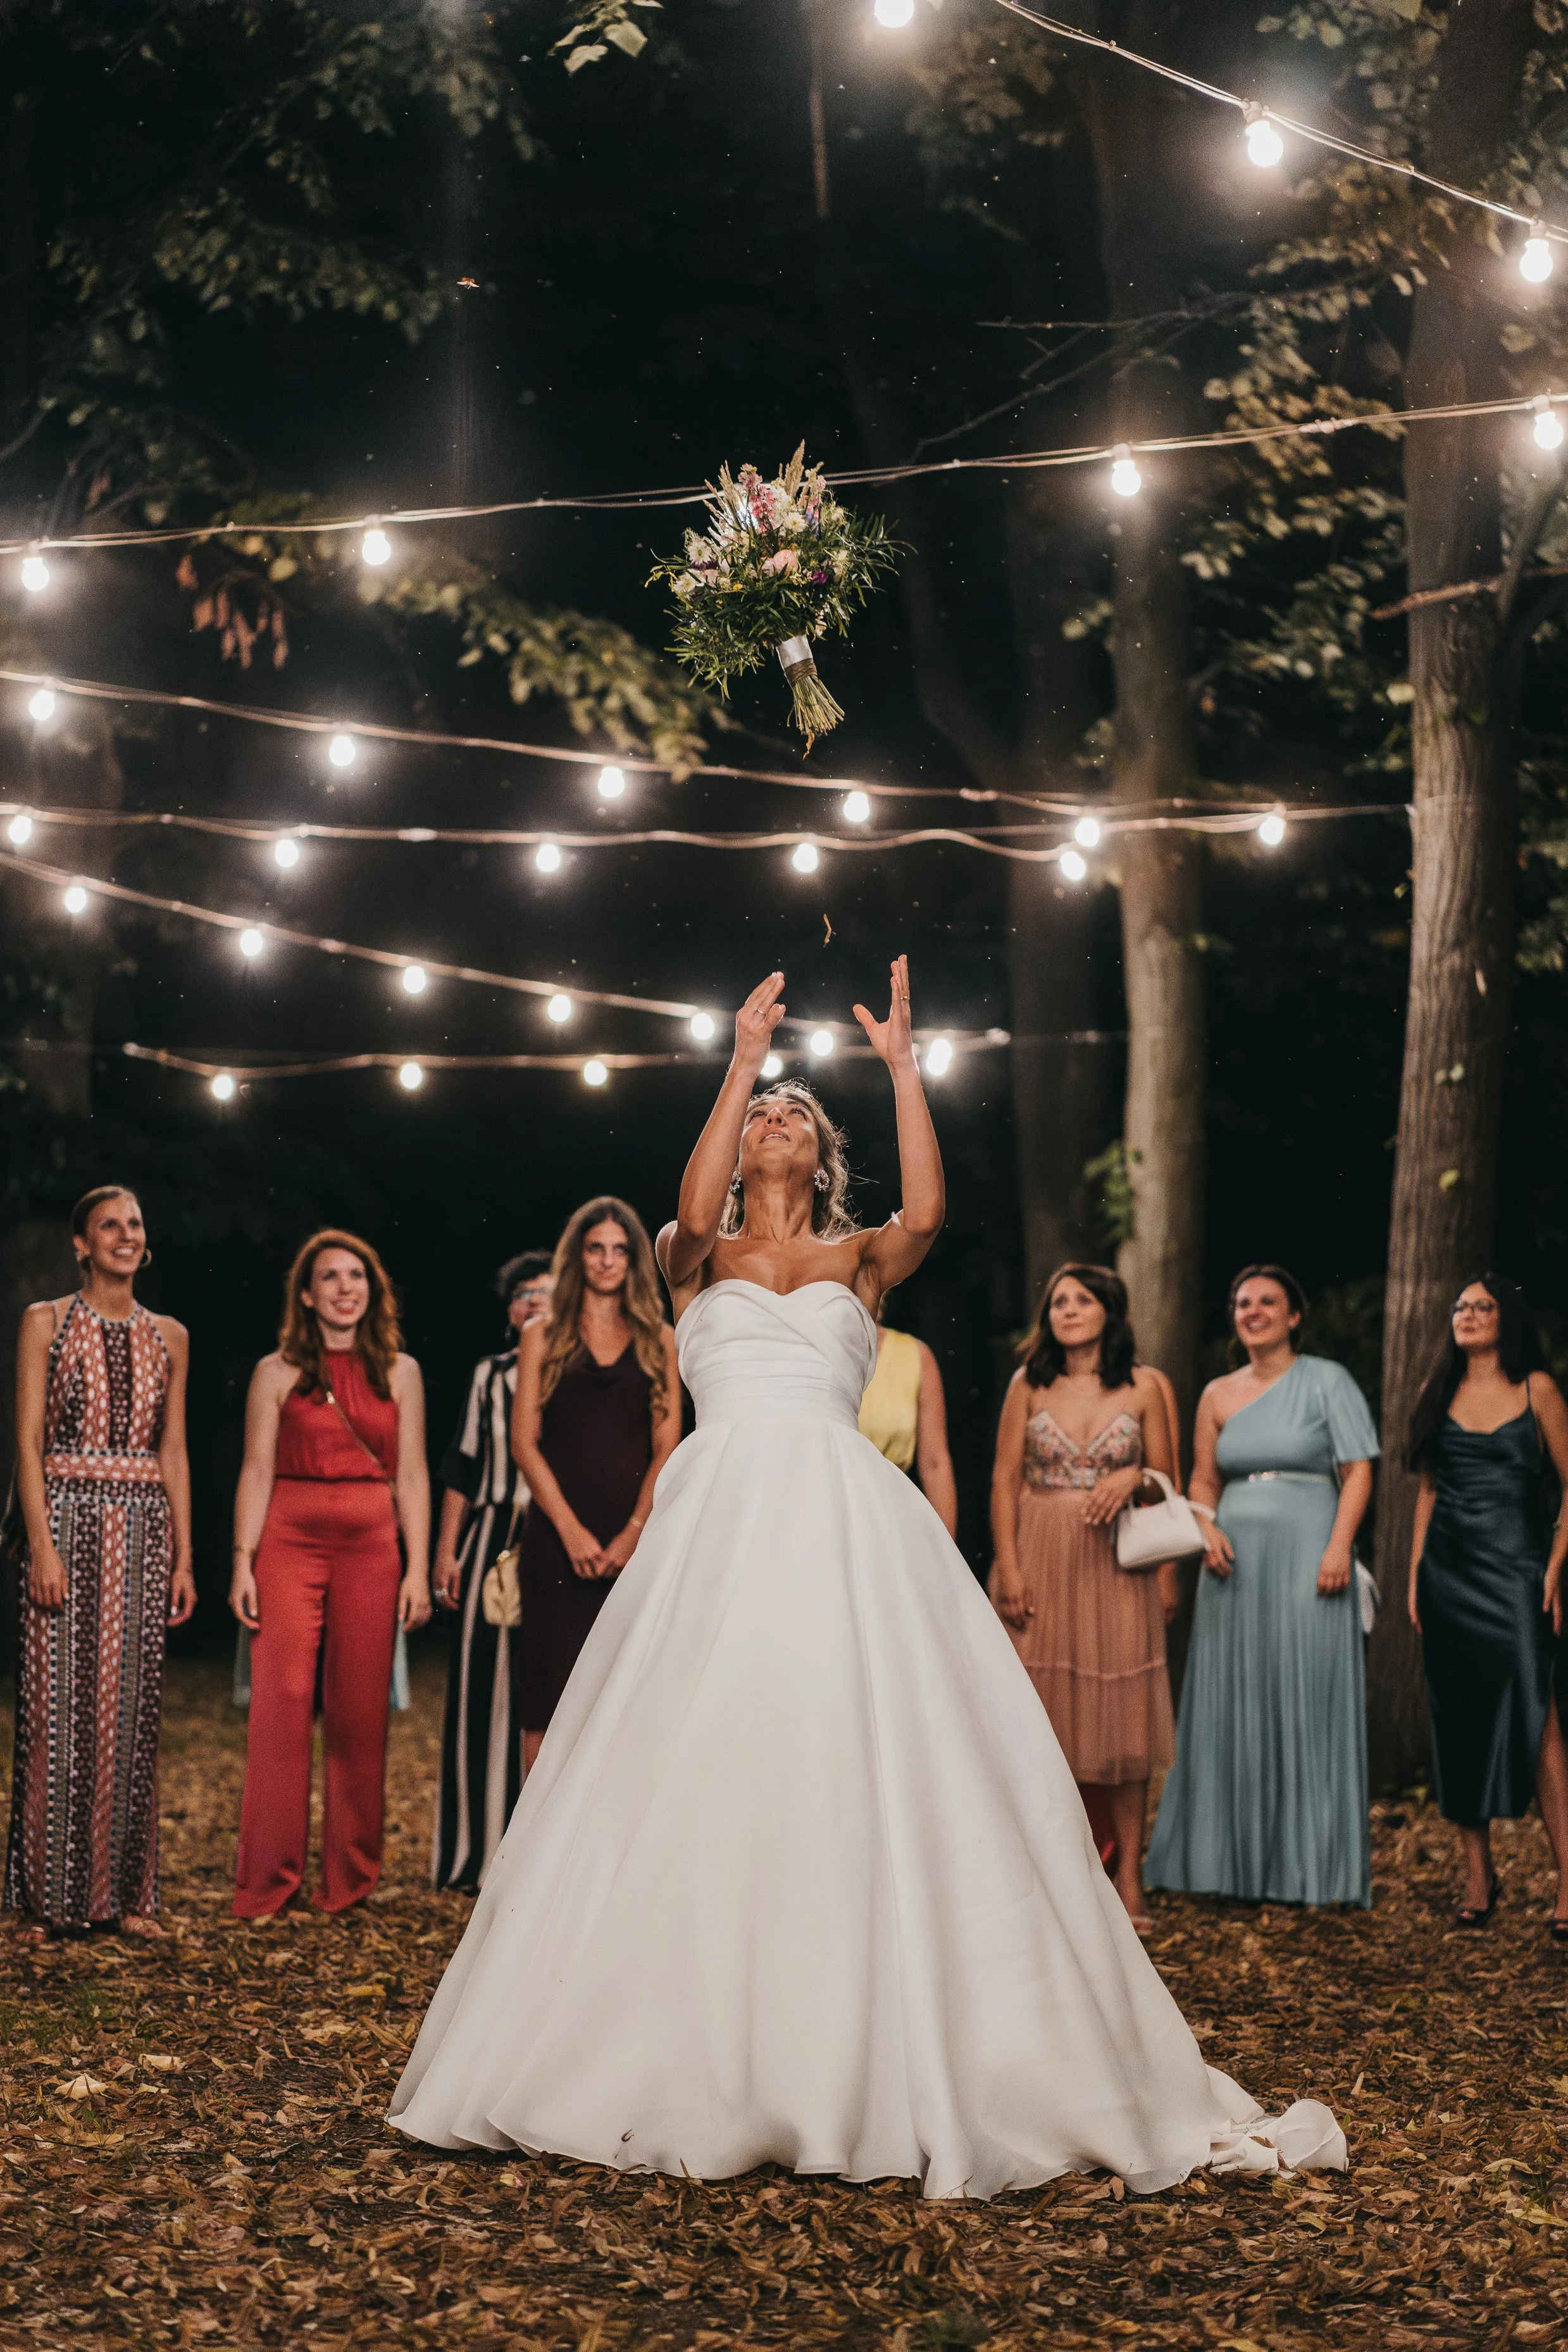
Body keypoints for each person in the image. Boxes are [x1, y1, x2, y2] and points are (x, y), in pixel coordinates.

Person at [389, 966, 1343, 2198]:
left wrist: (901, 1068)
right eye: (765, 1113)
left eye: (796, 1108)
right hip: (720, 1521)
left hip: (843, 1520)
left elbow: (932, 1211)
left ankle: (871, 2028)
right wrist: (741, 1060)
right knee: (705, 1749)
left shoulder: (865, 1259)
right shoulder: (696, 1252)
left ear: (826, 1150)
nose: (781, 1116)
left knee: (855, 1746)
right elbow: (684, 1196)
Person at [1145, 1265, 1377, 1910]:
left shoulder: (1329, 1379)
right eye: (1242, 1301)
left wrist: (1339, 1544)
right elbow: (1202, 1478)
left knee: (1307, 1695)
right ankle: (1229, 1866)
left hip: (1311, 1552)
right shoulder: (1217, 1392)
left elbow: (1359, 1471)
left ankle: (1311, 1871)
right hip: (1233, 1563)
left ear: (1293, 1315)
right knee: (1235, 1698)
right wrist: (1203, 1526)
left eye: (1267, 1301)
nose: (1252, 1311)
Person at [5, 1186, 195, 1941]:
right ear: (81, 1243)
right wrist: (41, 1543)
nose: (124, 1234)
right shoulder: (46, 1321)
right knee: (56, 1711)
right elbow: (24, 1443)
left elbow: (172, 1448)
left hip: (145, 1529)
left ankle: (128, 1895)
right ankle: (48, 1900)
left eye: (135, 1223)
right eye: (108, 1224)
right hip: (67, 1520)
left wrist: (182, 1554)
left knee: (132, 1709)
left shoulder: (170, 1334)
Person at [229, 1230, 431, 1918]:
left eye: (357, 1276)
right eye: (330, 1277)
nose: (346, 1287)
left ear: (370, 1291)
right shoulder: (276, 1370)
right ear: (308, 1294)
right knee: (279, 1706)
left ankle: (349, 1879)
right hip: (289, 1535)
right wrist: (241, 1560)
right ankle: (268, 1879)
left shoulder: (400, 1371)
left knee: (359, 1711)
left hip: (373, 1542)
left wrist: (418, 1568)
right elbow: (255, 1468)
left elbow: (412, 1474)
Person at [989, 1263, 1178, 1934]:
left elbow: (1169, 1482)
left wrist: (1135, 1475)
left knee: (1123, 1718)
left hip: (1117, 1566)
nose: (1068, 1309)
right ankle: (1051, 1872)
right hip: (1041, 1555)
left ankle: (1129, 1875)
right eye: (1058, 1300)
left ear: (1110, 1310)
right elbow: (1004, 1477)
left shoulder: (1148, 1386)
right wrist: (1008, 1569)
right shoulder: (1028, 1383)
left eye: (1082, 1298)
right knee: (1041, 1718)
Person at [1407, 1274, 1568, 1934]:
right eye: (1460, 1306)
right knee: (1460, 1717)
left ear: (1508, 1318)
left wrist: (1558, 1561)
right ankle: (1480, 1874)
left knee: (1541, 1720)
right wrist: (1417, 1572)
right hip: (1449, 1574)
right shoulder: (1436, 1391)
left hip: (1520, 1571)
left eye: (1482, 1305)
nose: (1467, 1314)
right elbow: (1427, 1491)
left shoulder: (1539, 1389)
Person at [511, 1200, 680, 1773]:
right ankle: (533, 1858)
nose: (607, 1261)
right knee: (547, 1702)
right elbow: (524, 1445)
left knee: (625, 1700)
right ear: (577, 1256)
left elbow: (668, 1448)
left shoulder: (660, 1339)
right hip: (556, 1543)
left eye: (619, 1249)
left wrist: (634, 1533)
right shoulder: (542, 1334)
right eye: (595, 1248)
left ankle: (604, 1861)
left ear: (633, 1260)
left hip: (633, 1543)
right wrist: (571, 1531)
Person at [430, 1251, 554, 1892]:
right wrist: (446, 1551)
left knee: (556, 1688)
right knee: (484, 1688)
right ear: (509, 1312)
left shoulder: (586, 1367)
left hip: (562, 1539)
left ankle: (550, 1853)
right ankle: (476, 1852)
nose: (533, 1300)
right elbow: (462, 1466)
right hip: (492, 1536)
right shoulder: (490, 1375)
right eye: (521, 1293)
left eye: (545, 1289)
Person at [857, 1311, 959, 1536]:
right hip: (825, 1510)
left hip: (891, 1520)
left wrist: (947, 1554)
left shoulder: (914, 1355)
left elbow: (935, 1464)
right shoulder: (808, 1352)